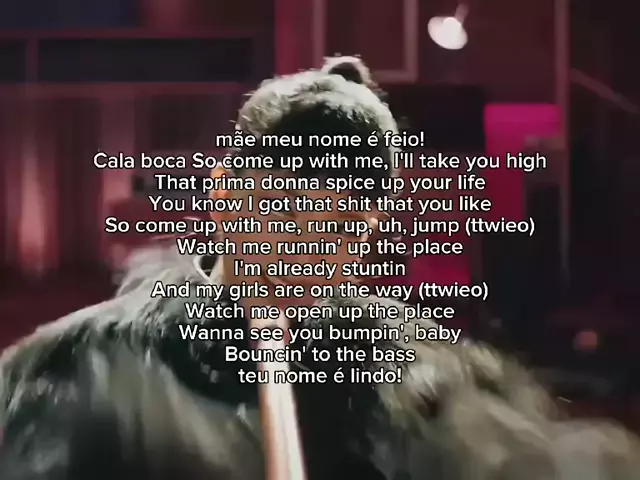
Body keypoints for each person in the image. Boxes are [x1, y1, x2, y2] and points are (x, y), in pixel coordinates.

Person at [0, 57, 639, 480]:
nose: (301, 254)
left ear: (372, 230)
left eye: (336, 228)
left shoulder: (421, 381)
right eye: (282, 211)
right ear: (224, 195)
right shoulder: (81, 369)